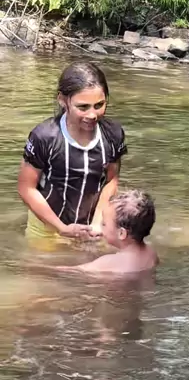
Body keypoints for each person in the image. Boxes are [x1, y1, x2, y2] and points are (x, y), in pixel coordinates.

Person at [18, 62, 127, 245]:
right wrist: (61, 228)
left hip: (93, 226)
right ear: (63, 100)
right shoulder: (44, 137)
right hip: (47, 227)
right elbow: (26, 188)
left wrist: (97, 224)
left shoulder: (113, 134)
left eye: (99, 105)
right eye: (83, 107)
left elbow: (111, 180)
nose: (92, 115)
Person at [57, 189, 158, 276]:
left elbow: (70, 271)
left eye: (104, 224)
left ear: (121, 233)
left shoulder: (108, 262)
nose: (100, 228)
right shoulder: (151, 253)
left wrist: (47, 268)